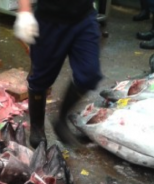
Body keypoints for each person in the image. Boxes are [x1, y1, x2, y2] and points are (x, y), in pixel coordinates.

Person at [13, 0, 103, 149]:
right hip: (49, 21)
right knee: (41, 78)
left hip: (84, 18)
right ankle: (37, 126)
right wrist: (24, 9)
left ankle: (61, 120)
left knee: (89, 74)